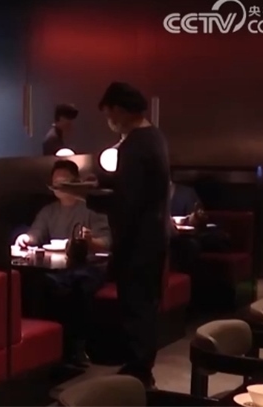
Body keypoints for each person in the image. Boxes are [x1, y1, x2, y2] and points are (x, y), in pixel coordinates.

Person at [96, 82, 170, 388]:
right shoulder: (155, 137)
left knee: (136, 306)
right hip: (154, 237)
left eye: (109, 113)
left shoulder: (135, 144)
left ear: (120, 110)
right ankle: (140, 368)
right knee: (145, 306)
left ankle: (138, 373)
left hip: (138, 240)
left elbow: (129, 201)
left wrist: (93, 197)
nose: (109, 120)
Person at [14, 160, 111, 366]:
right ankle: (49, 350)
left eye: (64, 181)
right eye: (55, 182)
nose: (59, 186)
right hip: (59, 267)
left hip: (91, 266)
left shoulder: (91, 209)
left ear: (76, 182)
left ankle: (76, 348)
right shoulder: (49, 211)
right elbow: (36, 233)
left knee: (77, 285)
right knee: (43, 284)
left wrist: (90, 242)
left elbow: (107, 242)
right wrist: (26, 238)